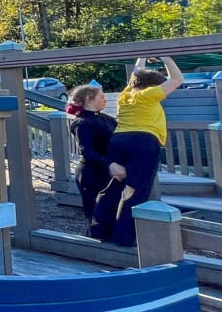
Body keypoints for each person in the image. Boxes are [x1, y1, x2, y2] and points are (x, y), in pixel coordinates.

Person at [90, 55, 183, 245]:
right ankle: (125, 238)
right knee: (136, 190)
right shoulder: (149, 95)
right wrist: (166, 57)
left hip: (119, 140)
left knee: (114, 187)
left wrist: (141, 58)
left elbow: (134, 76)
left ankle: (100, 230)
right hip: (143, 142)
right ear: (152, 86)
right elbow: (178, 80)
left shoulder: (126, 94)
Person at [66, 84, 116, 225]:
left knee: (110, 209)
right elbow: (86, 151)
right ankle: (95, 240)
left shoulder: (107, 119)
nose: (105, 100)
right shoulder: (82, 122)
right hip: (92, 173)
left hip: (107, 171)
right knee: (95, 212)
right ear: (89, 99)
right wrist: (109, 163)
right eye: (102, 97)